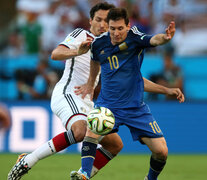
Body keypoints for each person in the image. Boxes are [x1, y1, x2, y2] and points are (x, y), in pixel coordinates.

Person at [8, 3, 124, 180]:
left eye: (106, 21)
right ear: (90, 20)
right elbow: (55, 54)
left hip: (87, 100)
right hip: (68, 93)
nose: (102, 24)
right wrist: (78, 50)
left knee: (115, 145)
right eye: (98, 20)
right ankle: (28, 160)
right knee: (80, 131)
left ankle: (82, 176)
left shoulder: (110, 45)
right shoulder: (81, 35)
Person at [72, 8, 185, 180]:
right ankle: (84, 174)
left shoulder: (136, 38)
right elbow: (95, 62)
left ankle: (150, 178)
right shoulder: (98, 43)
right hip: (108, 106)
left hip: (136, 108)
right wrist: (90, 83)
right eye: (112, 29)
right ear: (108, 27)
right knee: (92, 130)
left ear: (128, 26)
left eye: (119, 28)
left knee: (161, 151)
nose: (116, 33)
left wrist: (165, 38)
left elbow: (154, 40)